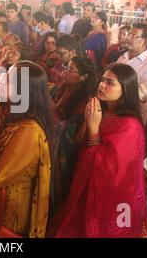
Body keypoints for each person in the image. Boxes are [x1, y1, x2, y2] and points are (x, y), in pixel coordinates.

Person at [53, 63, 147, 237]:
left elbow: (111, 172)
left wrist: (93, 128)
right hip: (84, 186)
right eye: (103, 80)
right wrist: (89, 121)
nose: (102, 85)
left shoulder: (129, 126)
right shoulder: (101, 110)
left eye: (110, 83)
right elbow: (78, 143)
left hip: (109, 199)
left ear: (125, 90)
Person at [0, 61, 52, 238]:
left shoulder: (30, 132)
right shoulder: (12, 113)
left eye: (8, 79)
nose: (0, 80)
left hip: (6, 215)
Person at [50, 56, 97, 218]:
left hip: (66, 152)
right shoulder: (67, 87)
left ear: (83, 77)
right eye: (66, 67)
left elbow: (70, 136)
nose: (65, 72)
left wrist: (43, 97)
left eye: (70, 70)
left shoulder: (86, 101)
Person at [117, 23, 147, 124]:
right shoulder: (123, 58)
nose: (128, 38)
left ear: (145, 42)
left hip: (132, 118)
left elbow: (144, 95)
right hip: (115, 110)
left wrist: (118, 89)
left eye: (134, 36)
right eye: (129, 34)